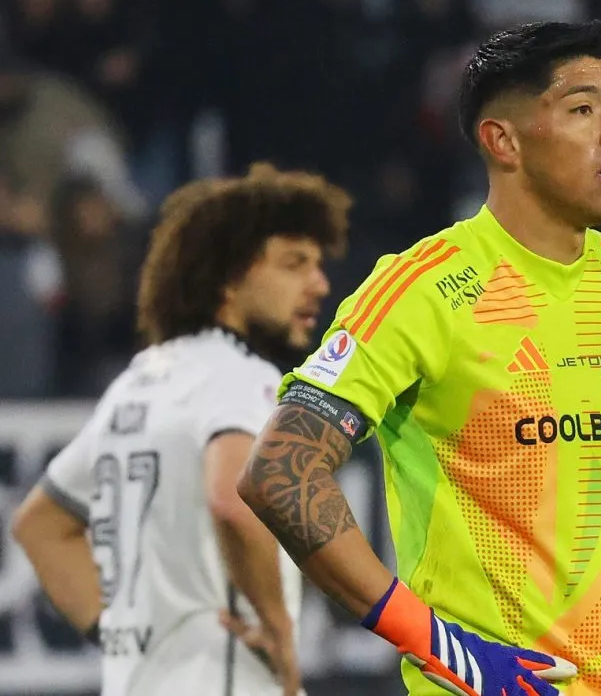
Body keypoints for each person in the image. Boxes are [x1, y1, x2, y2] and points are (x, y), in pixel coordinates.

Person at [238, 21, 601, 696]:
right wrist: (440, 646)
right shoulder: (423, 289)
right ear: (502, 141)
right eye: (581, 110)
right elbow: (280, 470)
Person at [12, 163, 351, 696]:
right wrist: (279, 631)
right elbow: (234, 499)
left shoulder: (139, 382)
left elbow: (40, 526)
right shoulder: (242, 375)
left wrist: (123, 635)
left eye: (317, 263)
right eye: (294, 263)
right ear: (228, 277)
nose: (318, 283)